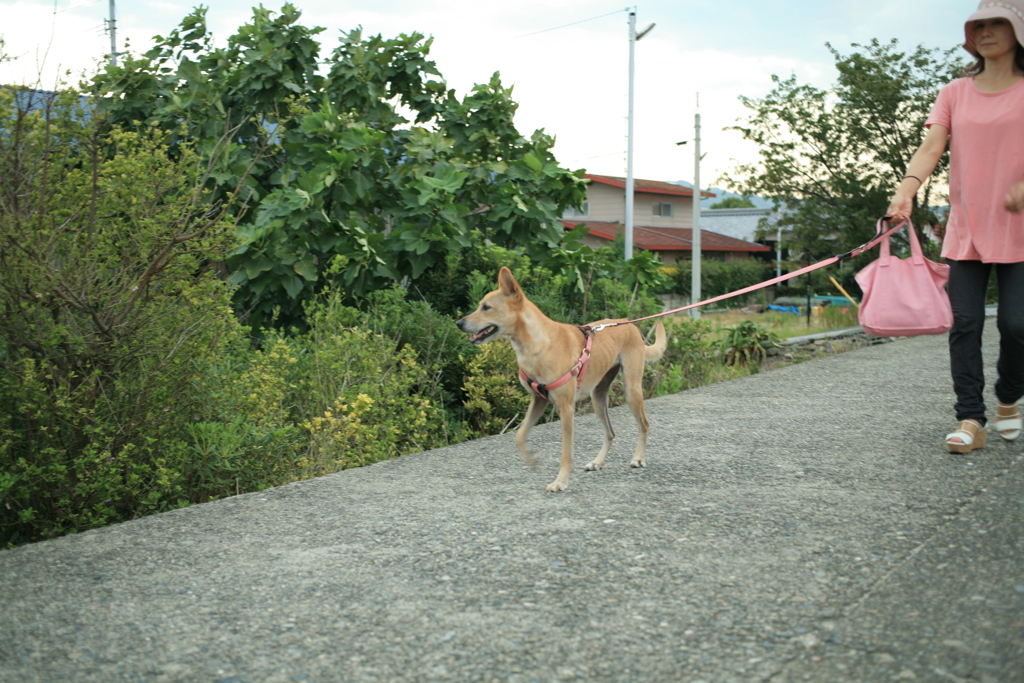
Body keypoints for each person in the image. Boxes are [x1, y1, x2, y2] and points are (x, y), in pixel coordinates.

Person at [887, 0, 1024, 454]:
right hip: (966, 227)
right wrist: (906, 189)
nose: (985, 31)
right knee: (964, 323)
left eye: (997, 23)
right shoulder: (955, 92)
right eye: (978, 24)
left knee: (1016, 324)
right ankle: (971, 417)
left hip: (1020, 229)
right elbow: (931, 145)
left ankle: (1008, 398)